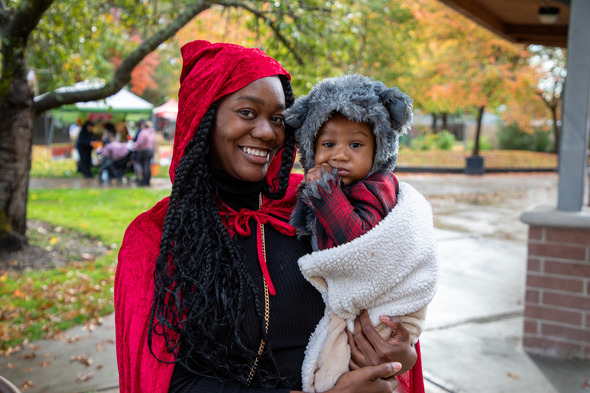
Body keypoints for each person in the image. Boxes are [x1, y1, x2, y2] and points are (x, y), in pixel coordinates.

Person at [115, 40, 416, 393]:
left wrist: (400, 352)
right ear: (204, 117)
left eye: (277, 118)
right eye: (247, 112)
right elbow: (169, 383)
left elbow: (388, 291)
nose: (267, 132)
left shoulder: (316, 202)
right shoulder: (156, 236)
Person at [285, 74, 438, 393]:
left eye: (355, 144)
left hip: (380, 308)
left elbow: (361, 246)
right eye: (328, 144)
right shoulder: (344, 186)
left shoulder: (374, 189)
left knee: (338, 370)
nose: (339, 155)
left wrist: (324, 193)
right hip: (352, 306)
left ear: (379, 148)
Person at [132, 119, 156, 186]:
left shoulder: (143, 132)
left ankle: (144, 181)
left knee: (144, 166)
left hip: (144, 150)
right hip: (150, 150)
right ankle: (147, 181)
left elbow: (140, 142)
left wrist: (134, 147)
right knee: (147, 166)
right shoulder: (151, 132)